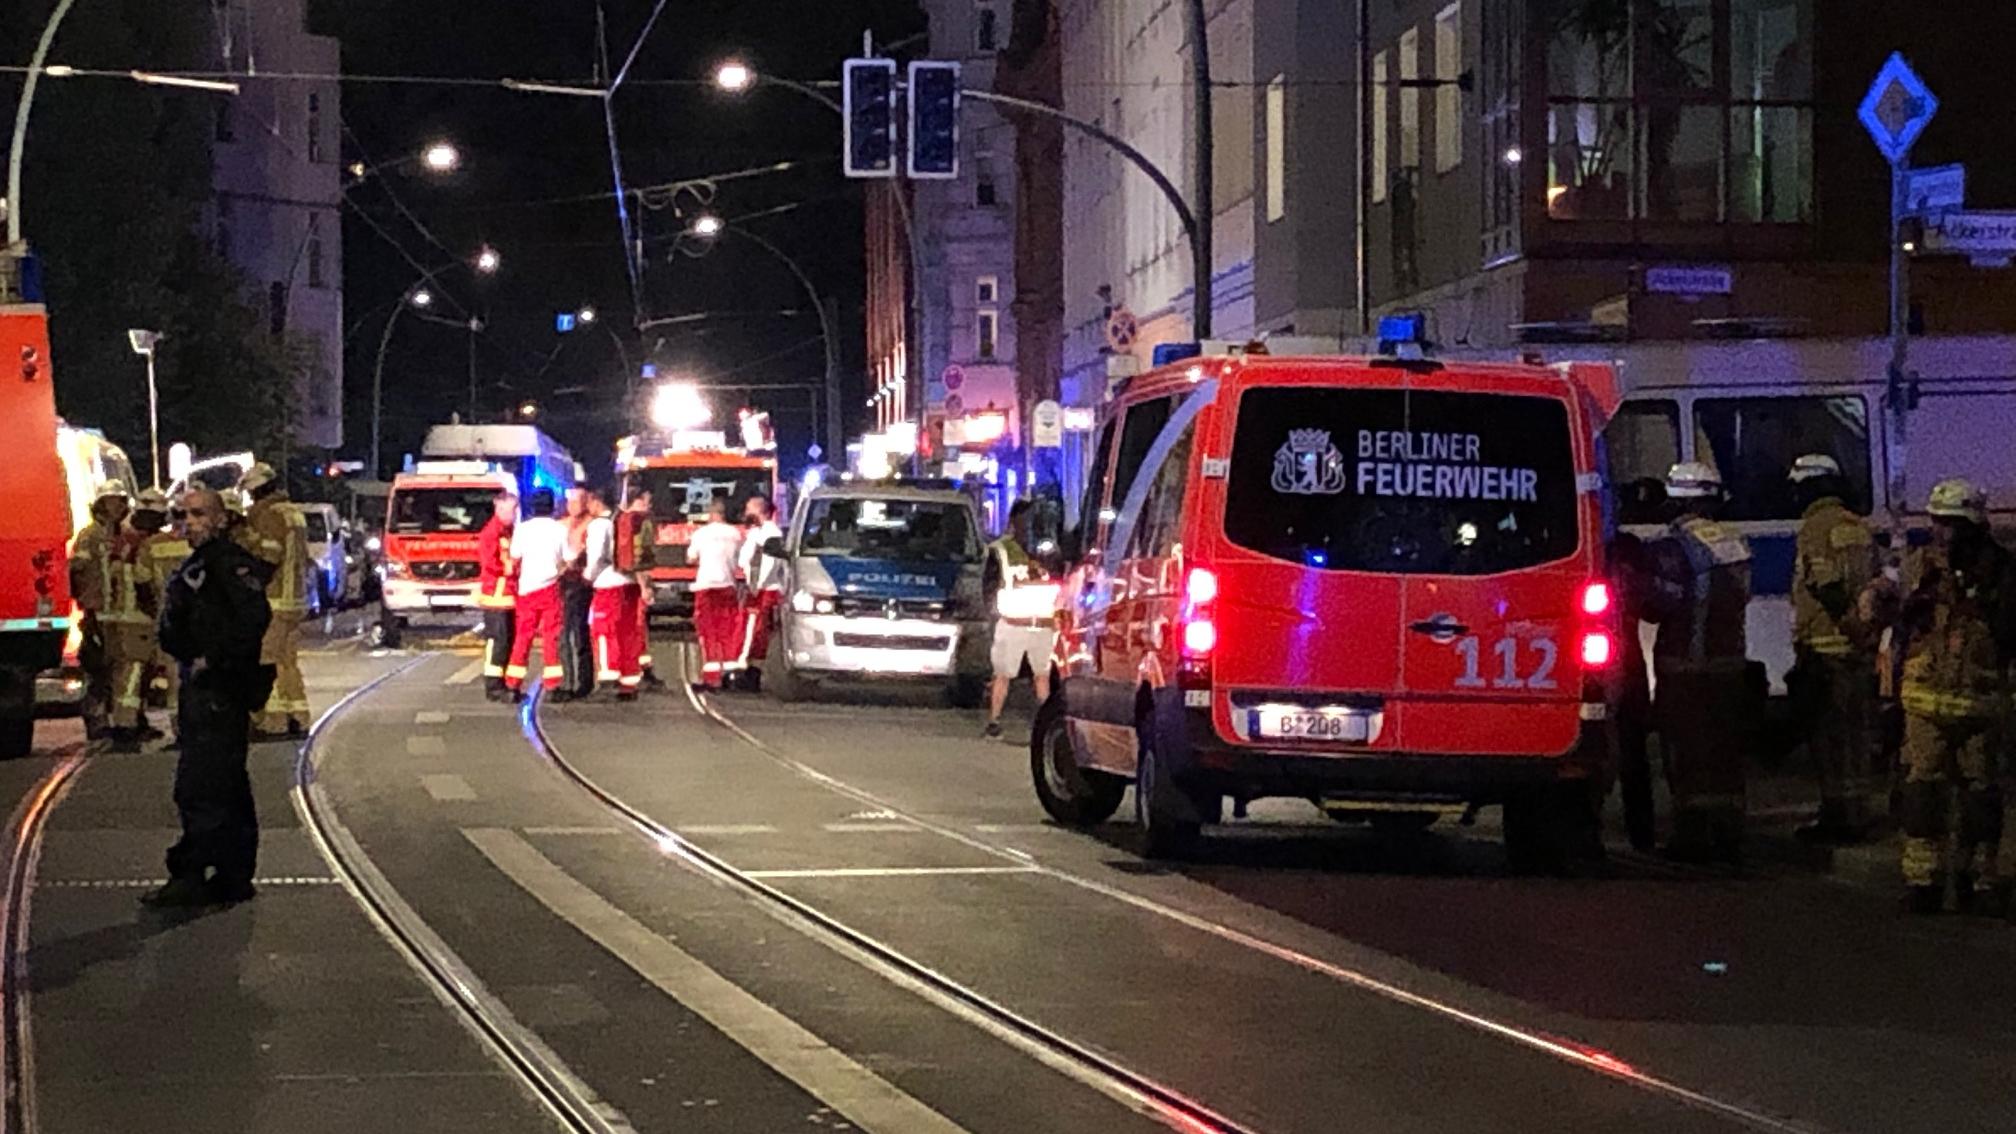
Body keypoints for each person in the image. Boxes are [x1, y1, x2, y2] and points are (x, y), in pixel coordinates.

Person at [1883, 478, 2016, 915]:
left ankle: (1976, 877)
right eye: (1939, 522)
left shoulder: (2004, 573)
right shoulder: (1920, 567)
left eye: (1952, 523)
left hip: (1981, 701)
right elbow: (1891, 623)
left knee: (1981, 797)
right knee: (1923, 795)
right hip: (1924, 701)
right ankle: (1923, 879)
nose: (1944, 532)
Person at [143, 487, 272, 908]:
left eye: (199, 514)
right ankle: (232, 874)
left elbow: (253, 617)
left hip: (219, 689)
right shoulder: (197, 564)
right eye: (183, 514)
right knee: (225, 783)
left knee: (201, 785)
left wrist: (212, 659)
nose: (189, 522)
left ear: (220, 518)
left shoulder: (227, 564)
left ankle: (194, 874)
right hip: (206, 688)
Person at [1642, 462, 1752, 863]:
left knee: (1686, 756)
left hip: (1685, 667)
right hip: (1728, 664)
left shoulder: (1672, 546)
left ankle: (1692, 836)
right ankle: (1728, 833)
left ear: (1680, 500)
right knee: (1723, 755)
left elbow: (1658, 606)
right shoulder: (1734, 540)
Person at [1786, 454, 1881, 843]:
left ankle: (1837, 818)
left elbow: (1827, 587)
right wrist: (1865, 635)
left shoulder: (1815, 527)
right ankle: (1857, 813)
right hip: (1858, 651)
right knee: (1857, 737)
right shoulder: (1857, 526)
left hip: (1827, 651)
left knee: (1829, 738)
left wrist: (1849, 628)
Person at [1607, 478, 1666, 852]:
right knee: (1632, 754)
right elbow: (1652, 607)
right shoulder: (1633, 551)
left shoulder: (1594, 548)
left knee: (1609, 750)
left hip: (1602, 664)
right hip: (1625, 660)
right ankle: (1640, 834)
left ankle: (1587, 830)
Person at [235, 462, 311, 737]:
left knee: (268, 660)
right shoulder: (294, 513)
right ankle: (298, 715)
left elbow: (269, 557)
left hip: (273, 600)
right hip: (295, 599)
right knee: (287, 660)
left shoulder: (268, 515)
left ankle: (275, 720)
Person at [983, 499, 1059, 739]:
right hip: (1013, 623)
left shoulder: (1051, 551)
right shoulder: (1002, 550)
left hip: (1044, 623)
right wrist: (993, 615)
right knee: (1003, 673)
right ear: (1014, 522)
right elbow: (989, 585)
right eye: (1025, 519)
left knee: (1043, 675)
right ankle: (994, 722)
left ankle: (1045, 725)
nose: (1029, 525)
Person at [70, 482, 134, 743]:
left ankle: (121, 718)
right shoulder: (90, 536)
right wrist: (88, 604)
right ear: (101, 503)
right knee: (97, 670)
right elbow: (76, 571)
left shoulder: (123, 535)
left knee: (120, 669)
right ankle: (96, 719)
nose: (118, 505)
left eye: (121, 500)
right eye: (113, 500)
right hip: (98, 614)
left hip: (120, 615)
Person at [507, 488, 573, 700]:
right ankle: (552, 686)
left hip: (527, 589)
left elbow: (514, 555)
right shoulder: (559, 530)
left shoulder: (522, 529)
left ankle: (512, 684)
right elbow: (569, 558)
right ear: (553, 506)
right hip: (550, 587)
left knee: (522, 637)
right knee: (551, 637)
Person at [141, 490, 194, 745]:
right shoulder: (200, 543)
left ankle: (179, 730)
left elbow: (142, 581)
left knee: (174, 679)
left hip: (169, 619)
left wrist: (155, 611)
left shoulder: (153, 545)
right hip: (199, 620)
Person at [583, 488, 645, 699]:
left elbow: (596, 557)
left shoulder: (599, 525)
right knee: (627, 632)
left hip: (608, 584)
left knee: (604, 631)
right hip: (629, 582)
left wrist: (587, 577)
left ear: (596, 502)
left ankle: (608, 679)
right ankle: (629, 683)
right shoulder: (622, 520)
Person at [688, 495, 745, 689]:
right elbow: (739, 561)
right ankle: (730, 674)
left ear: (711, 514)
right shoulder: (736, 534)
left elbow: (691, 558)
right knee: (728, 630)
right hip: (728, 586)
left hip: (706, 586)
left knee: (708, 631)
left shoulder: (700, 534)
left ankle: (712, 676)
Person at [734, 494, 786, 693]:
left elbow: (767, 564)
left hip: (763, 591)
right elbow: (744, 561)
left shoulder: (768, 534)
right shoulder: (761, 533)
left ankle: (748, 673)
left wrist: (756, 585)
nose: (746, 513)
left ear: (760, 511)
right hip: (761, 589)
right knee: (753, 632)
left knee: (754, 633)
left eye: (749, 509)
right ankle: (748, 671)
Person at [618, 491, 668, 692]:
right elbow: (635, 560)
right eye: (646, 502)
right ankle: (638, 672)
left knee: (639, 631)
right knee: (635, 629)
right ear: (635, 502)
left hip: (633, 584)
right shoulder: (632, 523)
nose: (649, 506)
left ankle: (642, 669)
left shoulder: (634, 522)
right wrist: (644, 586)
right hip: (631, 586)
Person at [475, 487, 519, 703]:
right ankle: (493, 685)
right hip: (496, 597)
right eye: (511, 510)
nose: (514, 515)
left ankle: (502, 682)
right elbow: (490, 564)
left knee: (508, 641)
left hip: (509, 597)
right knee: (498, 641)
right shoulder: (491, 533)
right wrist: (512, 567)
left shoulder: (508, 532)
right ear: (499, 508)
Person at [558, 486, 597, 699]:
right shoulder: (560, 525)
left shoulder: (591, 525)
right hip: (562, 584)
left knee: (578, 633)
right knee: (564, 633)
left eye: (577, 502)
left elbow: (586, 554)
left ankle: (581, 682)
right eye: (570, 502)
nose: (572, 506)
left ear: (586, 503)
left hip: (580, 584)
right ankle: (568, 679)